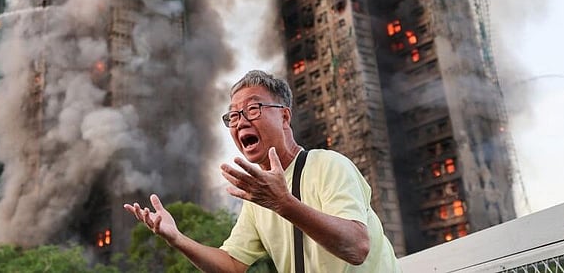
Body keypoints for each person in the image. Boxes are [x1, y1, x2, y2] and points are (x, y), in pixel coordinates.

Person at [124, 69, 402, 272]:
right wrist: (177, 239)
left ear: (284, 116)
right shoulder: (259, 201)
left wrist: (283, 203)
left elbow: (356, 247)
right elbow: (232, 265)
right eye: (233, 115)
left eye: (253, 108)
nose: (240, 120)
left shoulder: (328, 165)